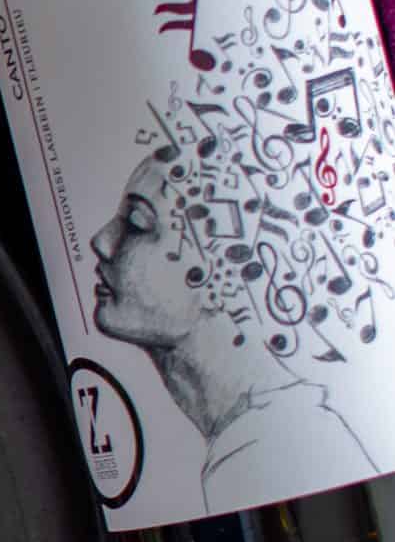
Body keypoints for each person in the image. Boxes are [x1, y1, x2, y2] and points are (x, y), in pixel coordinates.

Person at [92, 147, 378, 512]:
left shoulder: (269, 456)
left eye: (136, 223)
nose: (101, 241)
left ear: (224, 271)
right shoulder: (275, 438)